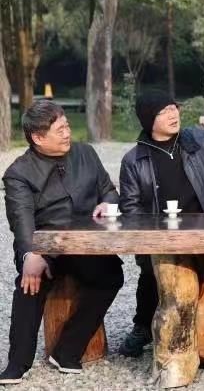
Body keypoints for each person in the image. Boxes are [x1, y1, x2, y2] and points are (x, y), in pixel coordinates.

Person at [117, 91, 204, 357]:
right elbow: (130, 207)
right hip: (161, 234)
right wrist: (145, 240)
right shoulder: (134, 159)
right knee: (151, 276)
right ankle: (142, 326)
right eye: (164, 111)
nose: (173, 114)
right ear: (148, 119)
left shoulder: (197, 139)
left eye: (174, 108)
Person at [0, 101, 124, 383]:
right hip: (48, 247)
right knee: (29, 285)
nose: (68, 133)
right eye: (60, 130)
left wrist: (107, 203)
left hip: (86, 244)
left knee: (111, 277)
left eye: (67, 126)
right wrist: (30, 254)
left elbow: (109, 190)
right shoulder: (18, 173)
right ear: (38, 138)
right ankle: (17, 364)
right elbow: (21, 221)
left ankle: (67, 351)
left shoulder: (86, 153)